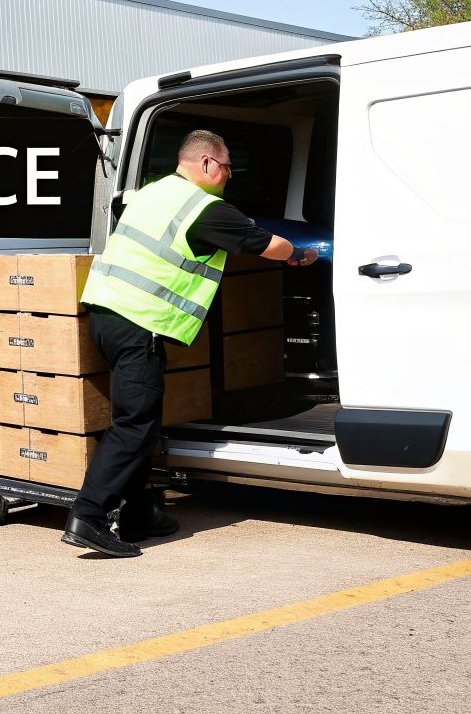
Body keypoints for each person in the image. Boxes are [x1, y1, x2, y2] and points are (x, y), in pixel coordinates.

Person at [62, 129, 319, 558]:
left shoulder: (152, 192)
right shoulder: (204, 209)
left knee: (142, 422)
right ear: (206, 163)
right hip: (139, 322)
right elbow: (270, 246)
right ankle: (88, 516)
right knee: (135, 424)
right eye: (228, 168)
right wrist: (300, 253)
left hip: (108, 316)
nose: (229, 176)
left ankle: (138, 514)